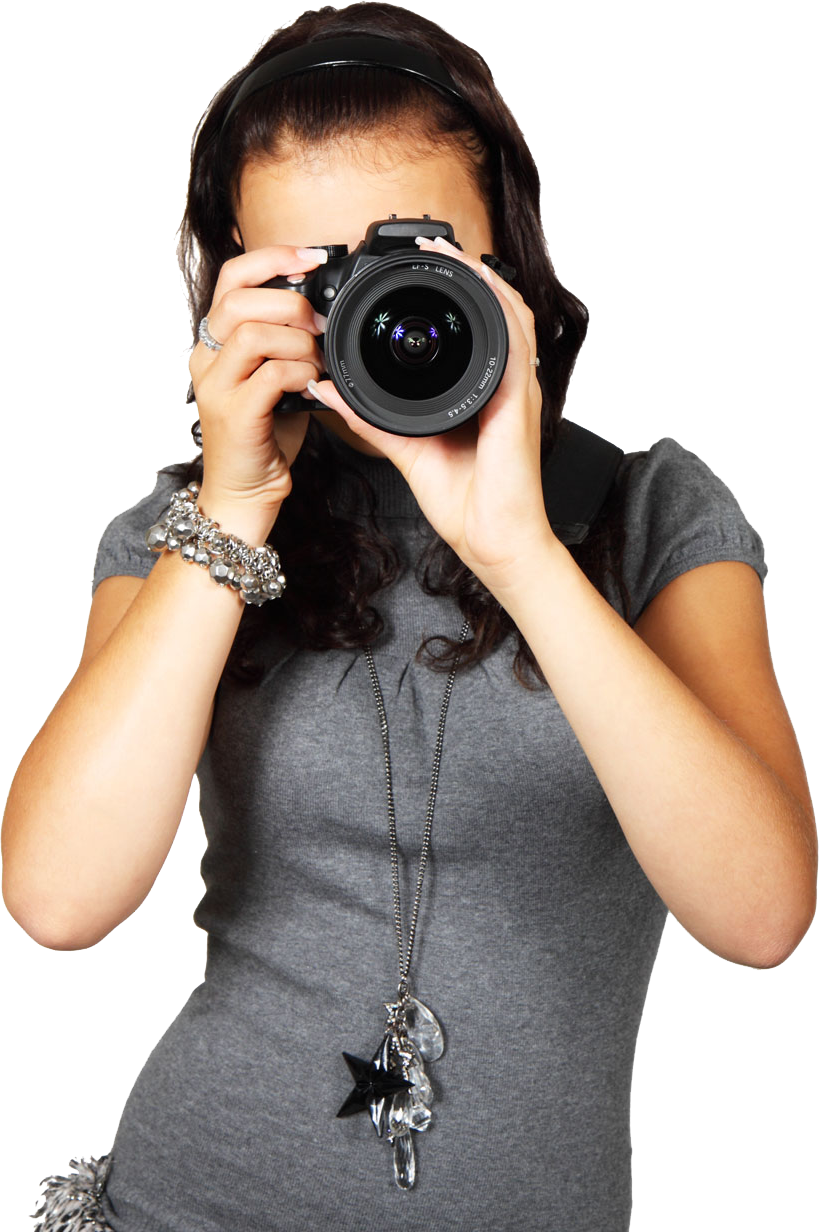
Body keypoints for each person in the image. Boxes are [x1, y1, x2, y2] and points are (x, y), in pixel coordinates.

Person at [5, 3, 816, 1230]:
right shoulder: (184, 537)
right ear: (238, 281)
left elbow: (761, 914)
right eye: (315, 277)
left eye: (416, 256)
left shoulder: (649, 513)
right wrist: (234, 504)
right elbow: (60, 899)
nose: (377, 308)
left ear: (507, 256)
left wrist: (519, 548)